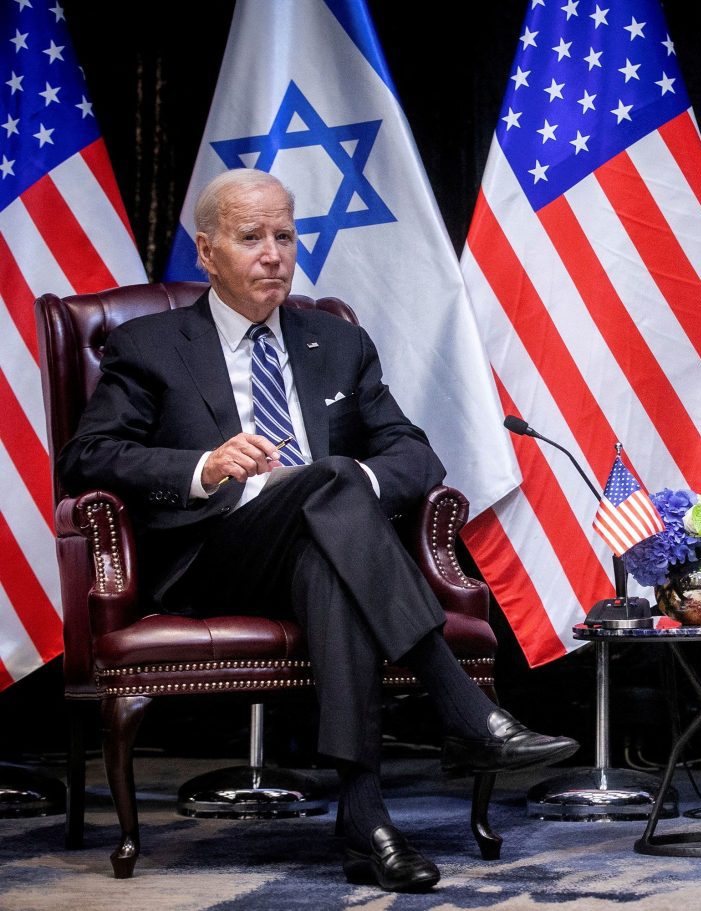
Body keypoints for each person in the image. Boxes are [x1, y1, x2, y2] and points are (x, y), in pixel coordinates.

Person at [58, 168, 578, 894]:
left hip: (319, 547)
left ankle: (366, 821)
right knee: (331, 482)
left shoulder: (336, 341)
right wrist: (204, 464)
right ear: (206, 252)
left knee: (328, 526)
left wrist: (352, 485)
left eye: (284, 235)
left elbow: (413, 452)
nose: (273, 253)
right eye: (250, 238)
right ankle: (459, 705)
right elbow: (87, 455)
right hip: (211, 554)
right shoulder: (148, 345)